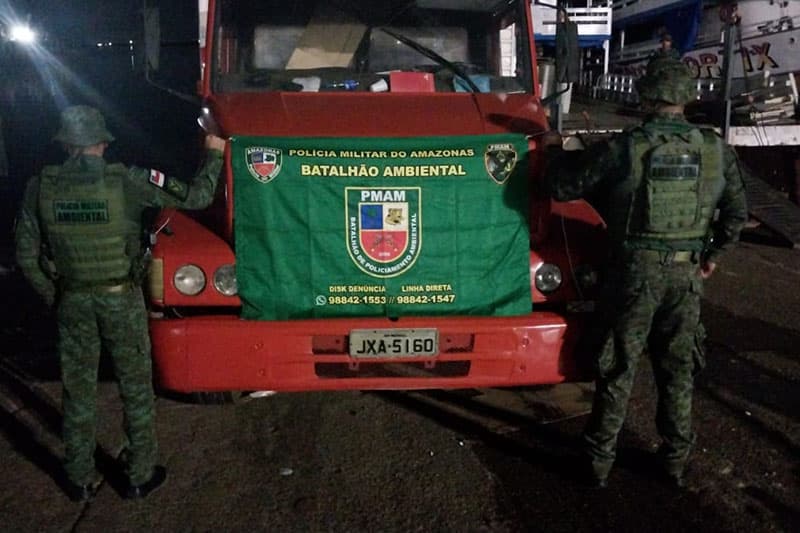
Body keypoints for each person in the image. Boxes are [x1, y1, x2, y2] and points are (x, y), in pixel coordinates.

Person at [542, 58, 748, 488]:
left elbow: (563, 187)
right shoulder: (715, 150)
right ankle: (674, 461)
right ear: (686, 98)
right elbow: (736, 214)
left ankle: (598, 464)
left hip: (633, 277)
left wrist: (553, 150)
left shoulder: (627, 148)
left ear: (647, 97)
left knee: (618, 369)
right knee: (677, 371)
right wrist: (712, 255)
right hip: (685, 277)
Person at [15, 105, 226, 501]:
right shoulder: (128, 181)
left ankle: (77, 478)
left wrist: (55, 295)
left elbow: (26, 255)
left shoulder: (39, 186)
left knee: (77, 390)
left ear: (64, 144)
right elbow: (197, 197)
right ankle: (137, 476)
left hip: (72, 299)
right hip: (120, 298)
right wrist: (214, 150)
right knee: (135, 386)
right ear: (102, 142)